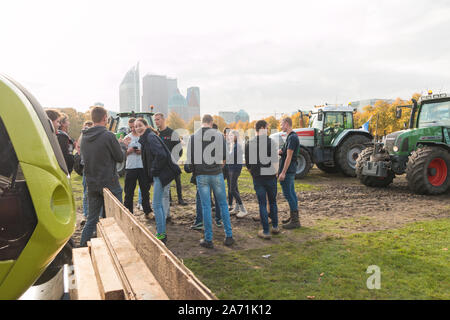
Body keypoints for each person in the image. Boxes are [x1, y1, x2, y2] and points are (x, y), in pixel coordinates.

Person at [185, 114, 234, 249]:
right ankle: (229, 236)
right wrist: (218, 167)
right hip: (217, 173)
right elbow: (225, 157)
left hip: (202, 175)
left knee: (206, 207)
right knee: (223, 205)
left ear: (202, 123)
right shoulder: (219, 135)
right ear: (211, 123)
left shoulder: (193, 137)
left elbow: (190, 159)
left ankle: (208, 239)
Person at [79, 106, 124, 247]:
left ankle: (82, 248)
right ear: (105, 118)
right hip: (110, 184)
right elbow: (120, 157)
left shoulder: (84, 137)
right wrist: (122, 145)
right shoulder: (108, 136)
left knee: (91, 219)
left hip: (92, 184)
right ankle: (114, 247)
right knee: (115, 219)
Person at [135, 118, 181, 244]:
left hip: (162, 174)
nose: (138, 128)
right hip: (159, 174)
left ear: (146, 126)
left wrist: (154, 171)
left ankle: (161, 235)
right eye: (136, 126)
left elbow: (161, 155)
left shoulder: (150, 137)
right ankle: (161, 233)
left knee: (156, 204)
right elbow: (149, 159)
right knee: (158, 203)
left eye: (140, 125)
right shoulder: (146, 138)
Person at [245, 120, 279, 239]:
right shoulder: (271, 142)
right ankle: (275, 226)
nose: (269, 129)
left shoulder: (249, 143)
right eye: (267, 127)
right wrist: (275, 173)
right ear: (263, 127)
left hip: (258, 177)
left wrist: (253, 174)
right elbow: (275, 160)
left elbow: (248, 164)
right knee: (273, 202)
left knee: (263, 204)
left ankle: (266, 231)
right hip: (270, 176)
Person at [154, 112, 187, 209]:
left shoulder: (172, 133)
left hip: (173, 162)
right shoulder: (156, 134)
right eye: (155, 119)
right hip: (162, 164)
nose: (156, 121)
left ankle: (180, 199)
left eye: (158, 119)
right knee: (166, 182)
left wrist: (174, 160)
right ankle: (169, 200)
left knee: (177, 180)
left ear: (163, 120)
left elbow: (179, 149)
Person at [122, 118, 152, 217]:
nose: (133, 129)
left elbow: (149, 151)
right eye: (131, 127)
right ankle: (128, 212)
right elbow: (121, 155)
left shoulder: (144, 137)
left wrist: (141, 151)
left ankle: (147, 211)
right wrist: (128, 150)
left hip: (142, 167)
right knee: (129, 191)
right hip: (130, 168)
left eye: (134, 126)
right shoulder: (127, 138)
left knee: (145, 191)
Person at [278, 117, 301, 229]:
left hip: (288, 170)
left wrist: (283, 172)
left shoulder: (292, 138)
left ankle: (295, 221)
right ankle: (293, 217)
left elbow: (289, 157)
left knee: (288, 194)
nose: (280, 126)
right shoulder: (290, 137)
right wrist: (281, 151)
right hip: (290, 170)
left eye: (281, 124)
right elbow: (285, 152)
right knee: (292, 193)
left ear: (286, 124)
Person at [75, 121, 93, 224]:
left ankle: (95, 215)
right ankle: (86, 215)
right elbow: (78, 148)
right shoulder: (82, 138)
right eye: (86, 128)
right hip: (87, 168)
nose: (87, 130)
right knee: (86, 192)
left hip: (94, 167)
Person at [228, 130, 248, 218]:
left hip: (235, 169)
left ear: (236, 136)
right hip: (232, 168)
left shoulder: (237, 146)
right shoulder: (233, 145)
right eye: (229, 135)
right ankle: (236, 208)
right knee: (235, 188)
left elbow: (232, 158)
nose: (230, 137)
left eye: (232, 135)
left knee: (232, 190)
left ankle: (243, 210)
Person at [223, 127, 233, 211]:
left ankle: (230, 204)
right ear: (224, 134)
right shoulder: (221, 142)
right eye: (228, 134)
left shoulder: (233, 143)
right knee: (219, 186)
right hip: (223, 166)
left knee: (231, 186)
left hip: (230, 167)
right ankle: (220, 203)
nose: (229, 136)